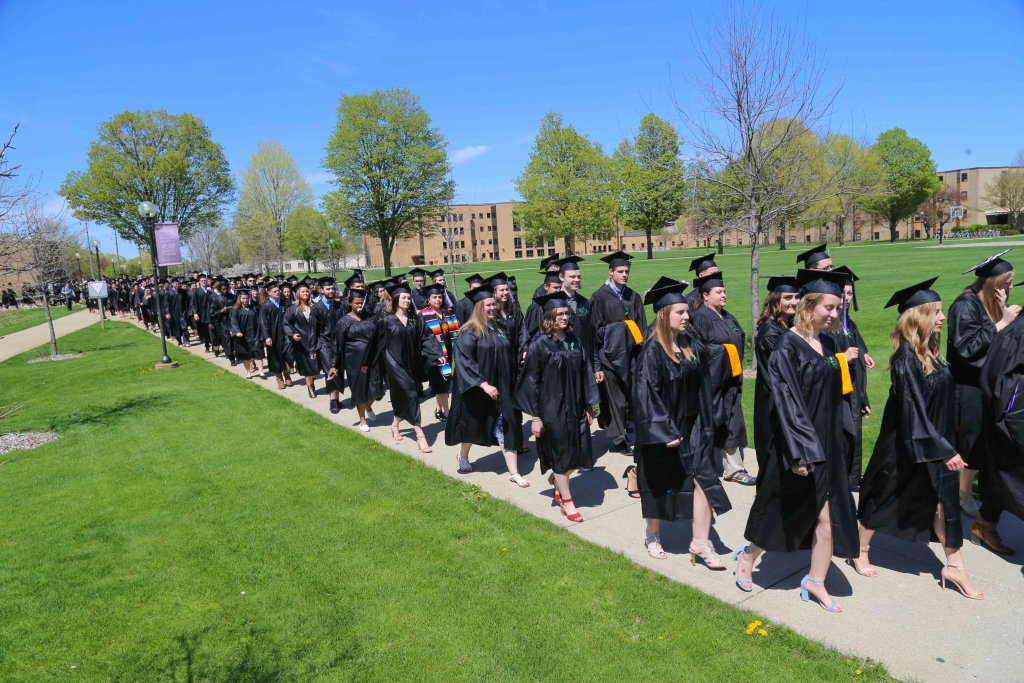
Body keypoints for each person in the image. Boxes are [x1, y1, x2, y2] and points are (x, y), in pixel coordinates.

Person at [737, 269, 859, 614]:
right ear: (809, 306)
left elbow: (834, 390)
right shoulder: (785, 346)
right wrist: (801, 451)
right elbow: (786, 401)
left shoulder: (830, 342)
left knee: (827, 517)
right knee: (784, 509)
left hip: (828, 442)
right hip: (797, 446)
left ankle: (815, 581)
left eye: (838, 307)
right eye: (829, 307)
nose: (834, 314)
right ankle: (748, 556)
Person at [856, 278, 983, 598]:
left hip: (935, 441)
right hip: (907, 444)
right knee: (885, 497)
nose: (942, 317)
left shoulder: (931, 351)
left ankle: (955, 566)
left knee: (945, 505)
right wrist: (944, 450)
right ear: (919, 315)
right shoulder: (905, 360)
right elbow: (912, 411)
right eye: (936, 312)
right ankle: (860, 549)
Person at [632, 277, 732, 567]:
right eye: (680, 312)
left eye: (687, 311)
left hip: (693, 427)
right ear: (663, 314)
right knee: (659, 484)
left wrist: (709, 420)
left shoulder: (690, 346)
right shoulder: (652, 351)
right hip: (663, 432)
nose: (687, 316)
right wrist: (663, 429)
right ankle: (652, 534)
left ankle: (700, 542)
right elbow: (645, 394)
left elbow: (705, 386)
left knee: (703, 480)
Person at [948, 251, 1019, 538]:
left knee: (979, 444)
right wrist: (1002, 323)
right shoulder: (964, 306)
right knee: (968, 443)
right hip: (967, 387)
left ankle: (963, 492)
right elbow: (965, 349)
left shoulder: (988, 304)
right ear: (993, 283)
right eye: (1007, 282)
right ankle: (957, 496)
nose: (1010, 288)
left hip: (985, 385)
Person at [515, 291, 599, 521]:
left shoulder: (574, 340)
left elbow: (585, 372)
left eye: (566, 313)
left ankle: (558, 480)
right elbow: (531, 382)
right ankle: (568, 502)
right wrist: (535, 417)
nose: (565, 316)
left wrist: (590, 405)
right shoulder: (540, 345)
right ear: (550, 317)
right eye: (560, 313)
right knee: (562, 456)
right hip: (552, 409)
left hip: (576, 406)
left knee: (580, 453)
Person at [445, 285, 529, 485]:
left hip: (503, 389)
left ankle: (513, 473)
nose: (493, 308)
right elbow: (465, 362)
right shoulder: (469, 332)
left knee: (506, 426)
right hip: (480, 391)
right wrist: (483, 384)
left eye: (494, 304)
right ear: (479, 307)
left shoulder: (500, 328)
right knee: (475, 428)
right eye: (489, 305)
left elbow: (508, 353)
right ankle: (463, 456)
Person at [688, 272, 753, 486]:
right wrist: (725, 353)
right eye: (719, 292)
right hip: (711, 382)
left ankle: (734, 469)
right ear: (705, 296)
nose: (724, 295)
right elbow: (698, 349)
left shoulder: (728, 316)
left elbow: (739, 339)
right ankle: (701, 467)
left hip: (730, 381)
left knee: (732, 420)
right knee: (710, 422)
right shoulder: (699, 318)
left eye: (724, 291)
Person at [973, 288, 1024, 558]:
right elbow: (999, 378)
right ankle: (984, 525)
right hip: (1013, 419)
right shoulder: (1019, 332)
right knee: (1007, 476)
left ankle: (984, 524)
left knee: (1001, 477)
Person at [363, 281, 439, 453]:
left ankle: (395, 424)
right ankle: (420, 435)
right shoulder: (387, 321)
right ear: (396, 299)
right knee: (411, 393)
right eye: (403, 297)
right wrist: (367, 363)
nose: (407, 300)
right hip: (394, 363)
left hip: (412, 363)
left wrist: (437, 355)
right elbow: (376, 344)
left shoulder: (415, 320)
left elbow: (427, 338)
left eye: (408, 297)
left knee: (403, 395)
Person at [590, 251, 647, 454]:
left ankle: (627, 428)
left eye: (627, 271)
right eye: (620, 271)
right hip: (610, 357)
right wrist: (622, 329)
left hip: (631, 356)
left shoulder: (633, 296)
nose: (625, 274)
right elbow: (596, 330)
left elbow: (642, 328)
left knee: (631, 396)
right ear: (611, 272)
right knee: (616, 400)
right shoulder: (599, 297)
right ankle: (618, 439)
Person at [833, 265, 874, 491]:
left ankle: (853, 477)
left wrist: (864, 398)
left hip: (855, 389)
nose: (847, 297)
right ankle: (844, 479)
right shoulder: (832, 326)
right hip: (841, 390)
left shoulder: (848, 322)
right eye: (843, 293)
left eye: (850, 293)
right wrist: (844, 357)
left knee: (855, 434)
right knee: (845, 436)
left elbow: (858, 350)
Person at [753, 275, 799, 473]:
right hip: (773, 405)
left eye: (796, 297)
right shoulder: (770, 334)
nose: (794, 302)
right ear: (775, 300)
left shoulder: (785, 326)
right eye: (788, 298)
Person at [329, 289, 385, 432]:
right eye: (356, 303)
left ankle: (368, 406)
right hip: (354, 361)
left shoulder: (369, 318)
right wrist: (334, 365)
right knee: (360, 390)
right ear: (351, 303)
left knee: (377, 389)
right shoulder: (343, 322)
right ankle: (362, 420)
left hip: (371, 359)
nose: (359, 306)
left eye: (361, 303)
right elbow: (337, 344)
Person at [417, 283, 455, 421]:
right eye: (434, 297)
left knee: (443, 384)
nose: (438, 299)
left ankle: (438, 409)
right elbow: (422, 338)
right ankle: (447, 413)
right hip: (432, 356)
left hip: (447, 354)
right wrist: (433, 353)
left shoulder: (448, 313)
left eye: (440, 297)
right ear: (428, 299)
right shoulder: (423, 315)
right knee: (441, 386)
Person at [283, 283, 320, 398]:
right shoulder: (293, 309)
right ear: (298, 294)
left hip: (315, 340)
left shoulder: (315, 307)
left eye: (307, 291)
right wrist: (293, 334)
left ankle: (311, 380)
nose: (305, 293)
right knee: (307, 366)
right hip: (301, 342)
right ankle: (310, 387)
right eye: (303, 291)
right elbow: (286, 323)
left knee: (315, 367)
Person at [312, 277, 343, 413]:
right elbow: (313, 330)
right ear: (321, 290)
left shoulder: (339, 306)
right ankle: (333, 401)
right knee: (330, 370)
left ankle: (337, 398)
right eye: (328, 289)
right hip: (324, 344)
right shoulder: (317, 308)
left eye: (332, 288)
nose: (331, 291)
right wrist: (313, 348)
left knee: (339, 370)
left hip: (339, 343)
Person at [259, 281, 292, 389]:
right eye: (275, 291)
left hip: (285, 334)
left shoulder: (284, 302)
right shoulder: (265, 306)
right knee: (275, 357)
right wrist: (267, 336)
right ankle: (279, 379)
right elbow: (263, 322)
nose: (278, 292)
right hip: (273, 335)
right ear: (269, 292)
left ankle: (287, 374)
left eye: (278, 290)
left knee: (287, 355)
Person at [230, 290, 262, 378]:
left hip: (254, 334)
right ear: (239, 299)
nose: (245, 300)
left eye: (247, 298)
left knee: (258, 353)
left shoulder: (254, 308)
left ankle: (261, 372)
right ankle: (248, 372)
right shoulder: (235, 310)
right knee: (246, 355)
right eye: (243, 298)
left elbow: (259, 320)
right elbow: (233, 322)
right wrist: (237, 331)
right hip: (243, 336)